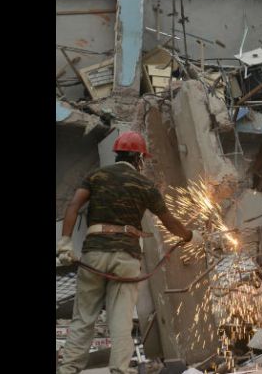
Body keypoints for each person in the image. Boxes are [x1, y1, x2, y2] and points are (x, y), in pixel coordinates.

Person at [57, 130, 203, 374]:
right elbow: (169, 223)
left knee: (83, 318)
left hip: (94, 254)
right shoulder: (145, 185)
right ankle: (120, 370)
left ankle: (68, 369)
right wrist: (190, 236)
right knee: (121, 320)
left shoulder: (96, 175)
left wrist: (65, 242)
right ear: (139, 158)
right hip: (126, 258)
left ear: (117, 154)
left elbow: (73, 206)